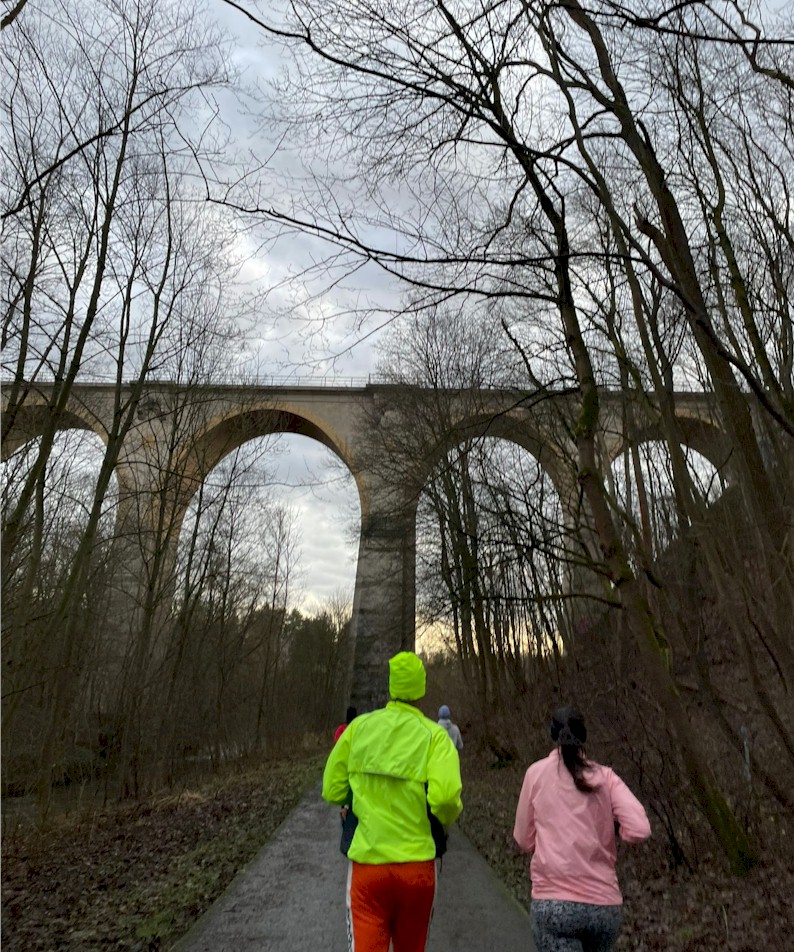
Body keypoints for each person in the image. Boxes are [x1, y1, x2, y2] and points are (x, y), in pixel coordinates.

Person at [322, 651, 463, 952]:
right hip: (418, 870)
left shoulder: (359, 729)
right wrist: (443, 821)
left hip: (368, 869)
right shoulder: (435, 737)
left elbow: (332, 789)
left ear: (391, 686)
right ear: (421, 689)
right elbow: (446, 798)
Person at [513, 705, 651, 952]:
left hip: (554, 905)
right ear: (583, 736)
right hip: (604, 908)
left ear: (553, 734)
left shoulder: (535, 775)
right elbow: (639, 828)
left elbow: (523, 840)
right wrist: (615, 828)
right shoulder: (604, 777)